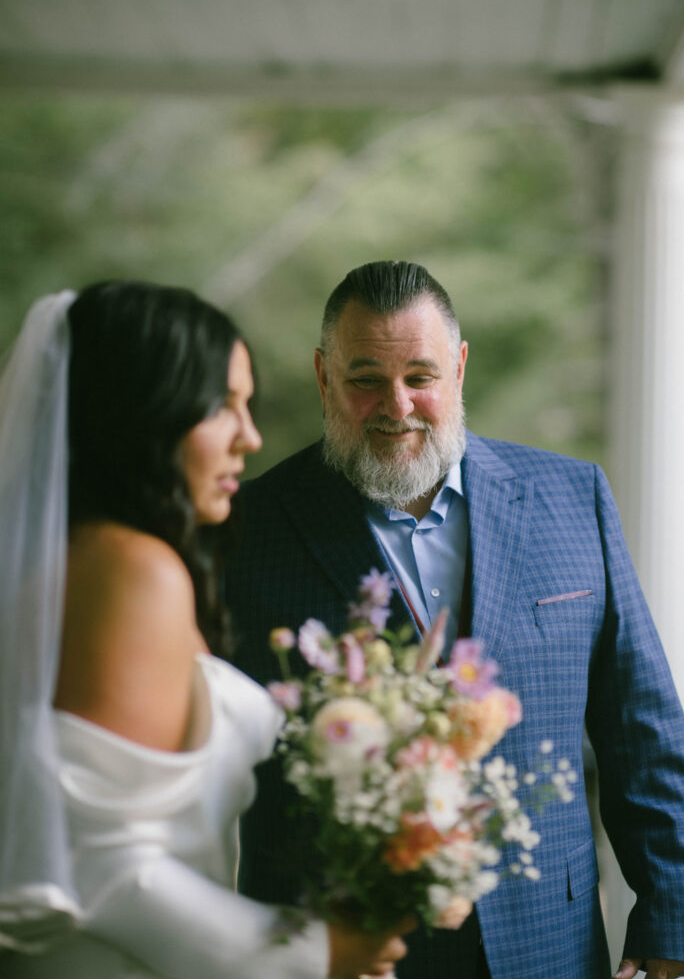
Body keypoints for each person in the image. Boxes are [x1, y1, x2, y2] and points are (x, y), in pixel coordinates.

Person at [223, 260, 684, 979]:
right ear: (322, 377)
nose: (396, 405)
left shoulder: (574, 498)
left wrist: (670, 920)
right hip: (339, 952)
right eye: (365, 378)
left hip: (551, 947)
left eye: (421, 377)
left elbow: (643, 729)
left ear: (460, 368)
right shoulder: (247, 529)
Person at [0, 280, 409, 979]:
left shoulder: (68, 561)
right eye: (224, 406)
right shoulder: (133, 569)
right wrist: (318, 952)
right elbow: (103, 867)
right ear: (145, 414)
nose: (250, 437)